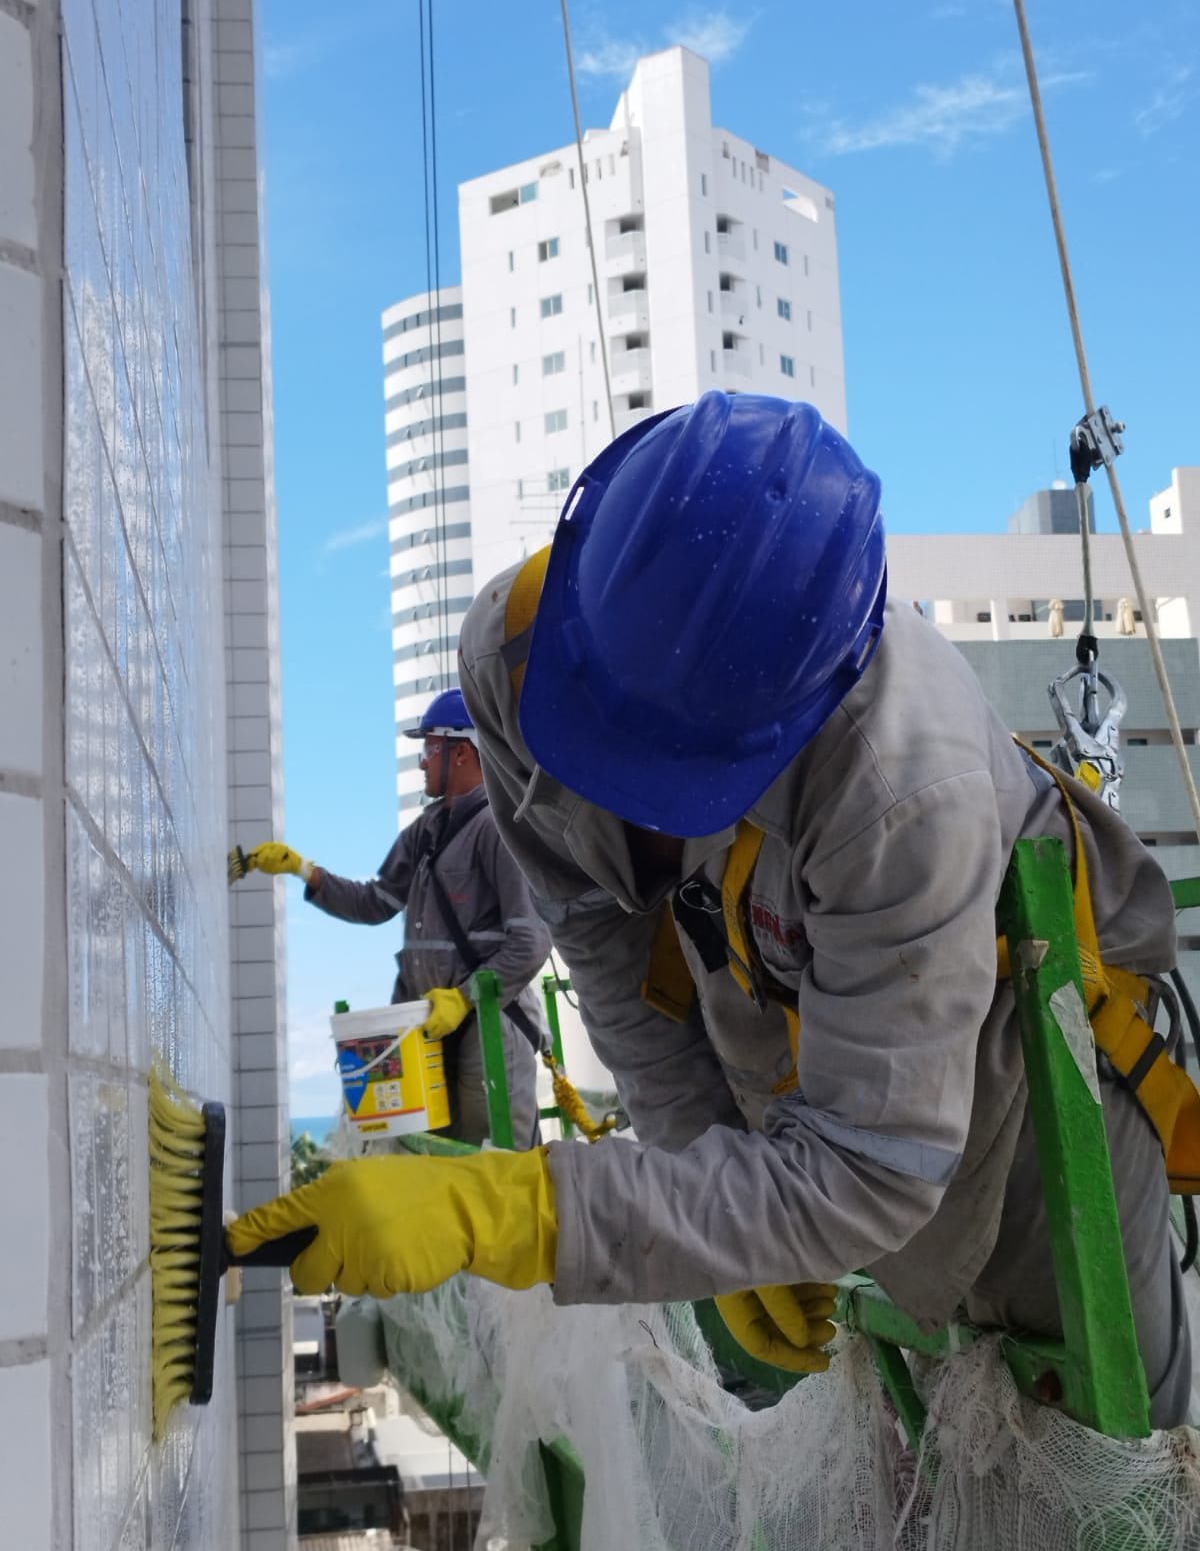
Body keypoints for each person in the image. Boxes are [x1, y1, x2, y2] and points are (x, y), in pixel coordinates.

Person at [230, 393, 1191, 1426]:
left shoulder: (905, 789)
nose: (632, 796)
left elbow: (872, 1165)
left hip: (1035, 1097)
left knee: (1107, 1451)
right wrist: (714, 1209)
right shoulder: (510, 664)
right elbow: (607, 956)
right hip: (798, 1060)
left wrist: (524, 1211)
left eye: (668, 768)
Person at [240, 687, 550, 1148]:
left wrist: (463, 999)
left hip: (488, 1024)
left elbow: (530, 942)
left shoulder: (498, 829)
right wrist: (303, 870)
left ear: (462, 752)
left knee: (494, 1168)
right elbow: (375, 903)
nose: (423, 761)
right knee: (438, 1162)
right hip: (430, 1025)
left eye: (429, 749)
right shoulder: (424, 832)